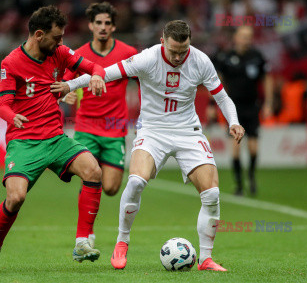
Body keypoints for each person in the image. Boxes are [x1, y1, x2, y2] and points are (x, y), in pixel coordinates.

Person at [51, 20, 245, 271]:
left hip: (188, 131)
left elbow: (222, 96)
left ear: (190, 44)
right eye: (173, 50)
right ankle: (122, 242)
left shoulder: (200, 61)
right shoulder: (147, 58)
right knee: (135, 181)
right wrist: (71, 84)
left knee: (212, 194)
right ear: (162, 42)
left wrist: (234, 121)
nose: (177, 56)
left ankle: (206, 258)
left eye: (182, 51)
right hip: (153, 131)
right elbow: (105, 73)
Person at [0, 5, 107, 274]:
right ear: (39, 34)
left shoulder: (59, 53)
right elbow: (3, 105)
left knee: (93, 170)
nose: (61, 42)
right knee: (15, 198)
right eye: (57, 37)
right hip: (24, 141)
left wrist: (93, 77)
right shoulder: (11, 63)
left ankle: (82, 242)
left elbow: (95, 67)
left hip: (55, 138)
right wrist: (12, 116)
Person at [63, 2, 138, 248]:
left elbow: (147, 80)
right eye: (98, 23)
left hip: (115, 129)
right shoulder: (78, 54)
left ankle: (86, 230)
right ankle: (86, 234)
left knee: (111, 188)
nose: (103, 27)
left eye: (107, 23)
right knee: (88, 176)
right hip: (86, 127)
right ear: (90, 25)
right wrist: (65, 95)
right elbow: (63, 82)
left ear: (114, 26)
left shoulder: (128, 53)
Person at [214, 26, 273, 196]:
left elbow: (267, 78)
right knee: (236, 147)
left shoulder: (257, 57)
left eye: (249, 36)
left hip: (252, 106)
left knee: (254, 149)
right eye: (243, 36)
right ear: (236, 38)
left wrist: (268, 102)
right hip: (234, 108)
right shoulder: (226, 57)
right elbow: (219, 80)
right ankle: (239, 185)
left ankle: (251, 177)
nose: (246, 39)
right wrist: (217, 103)